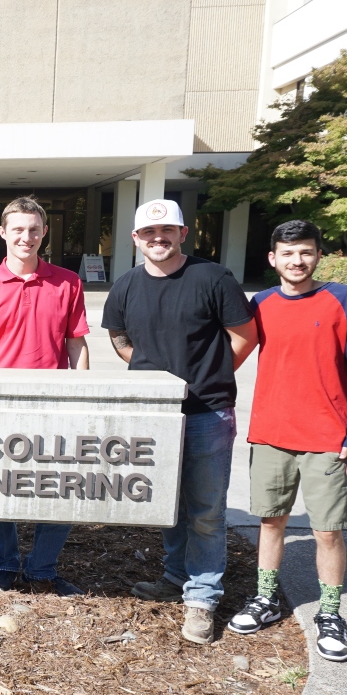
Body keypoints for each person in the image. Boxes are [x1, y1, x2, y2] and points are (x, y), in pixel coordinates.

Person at [102, 198, 257, 645]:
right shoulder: (127, 285)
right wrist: (149, 370)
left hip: (208, 411)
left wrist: (211, 374)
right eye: (149, 233)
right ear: (135, 240)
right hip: (155, 416)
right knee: (168, 507)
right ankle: (174, 578)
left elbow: (245, 336)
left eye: (166, 231)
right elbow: (118, 336)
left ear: (182, 233)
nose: (158, 239)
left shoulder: (213, 278)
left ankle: (203, 598)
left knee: (206, 510)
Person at [226, 220, 347, 662]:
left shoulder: (342, 298)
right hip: (272, 433)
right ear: (272, 259)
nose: (297, 260)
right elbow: (231, 352)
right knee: (271, 521)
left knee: (327, 530)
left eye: (305, 252)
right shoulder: (262, 303)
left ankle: (331, 614)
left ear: (317, 256)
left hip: (327, 435)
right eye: (288, 254)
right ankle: (266, 599)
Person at [0, 196, 90, 597]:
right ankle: (4, 564)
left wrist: (83, 397)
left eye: (34, 229)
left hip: (55, 403)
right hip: (0, 405)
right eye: (17, 229)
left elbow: (76, 345)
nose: (26, 237)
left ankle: (42, 569)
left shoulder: (68, 282)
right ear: (2, 233)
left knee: (59, 486)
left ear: (44, 233)